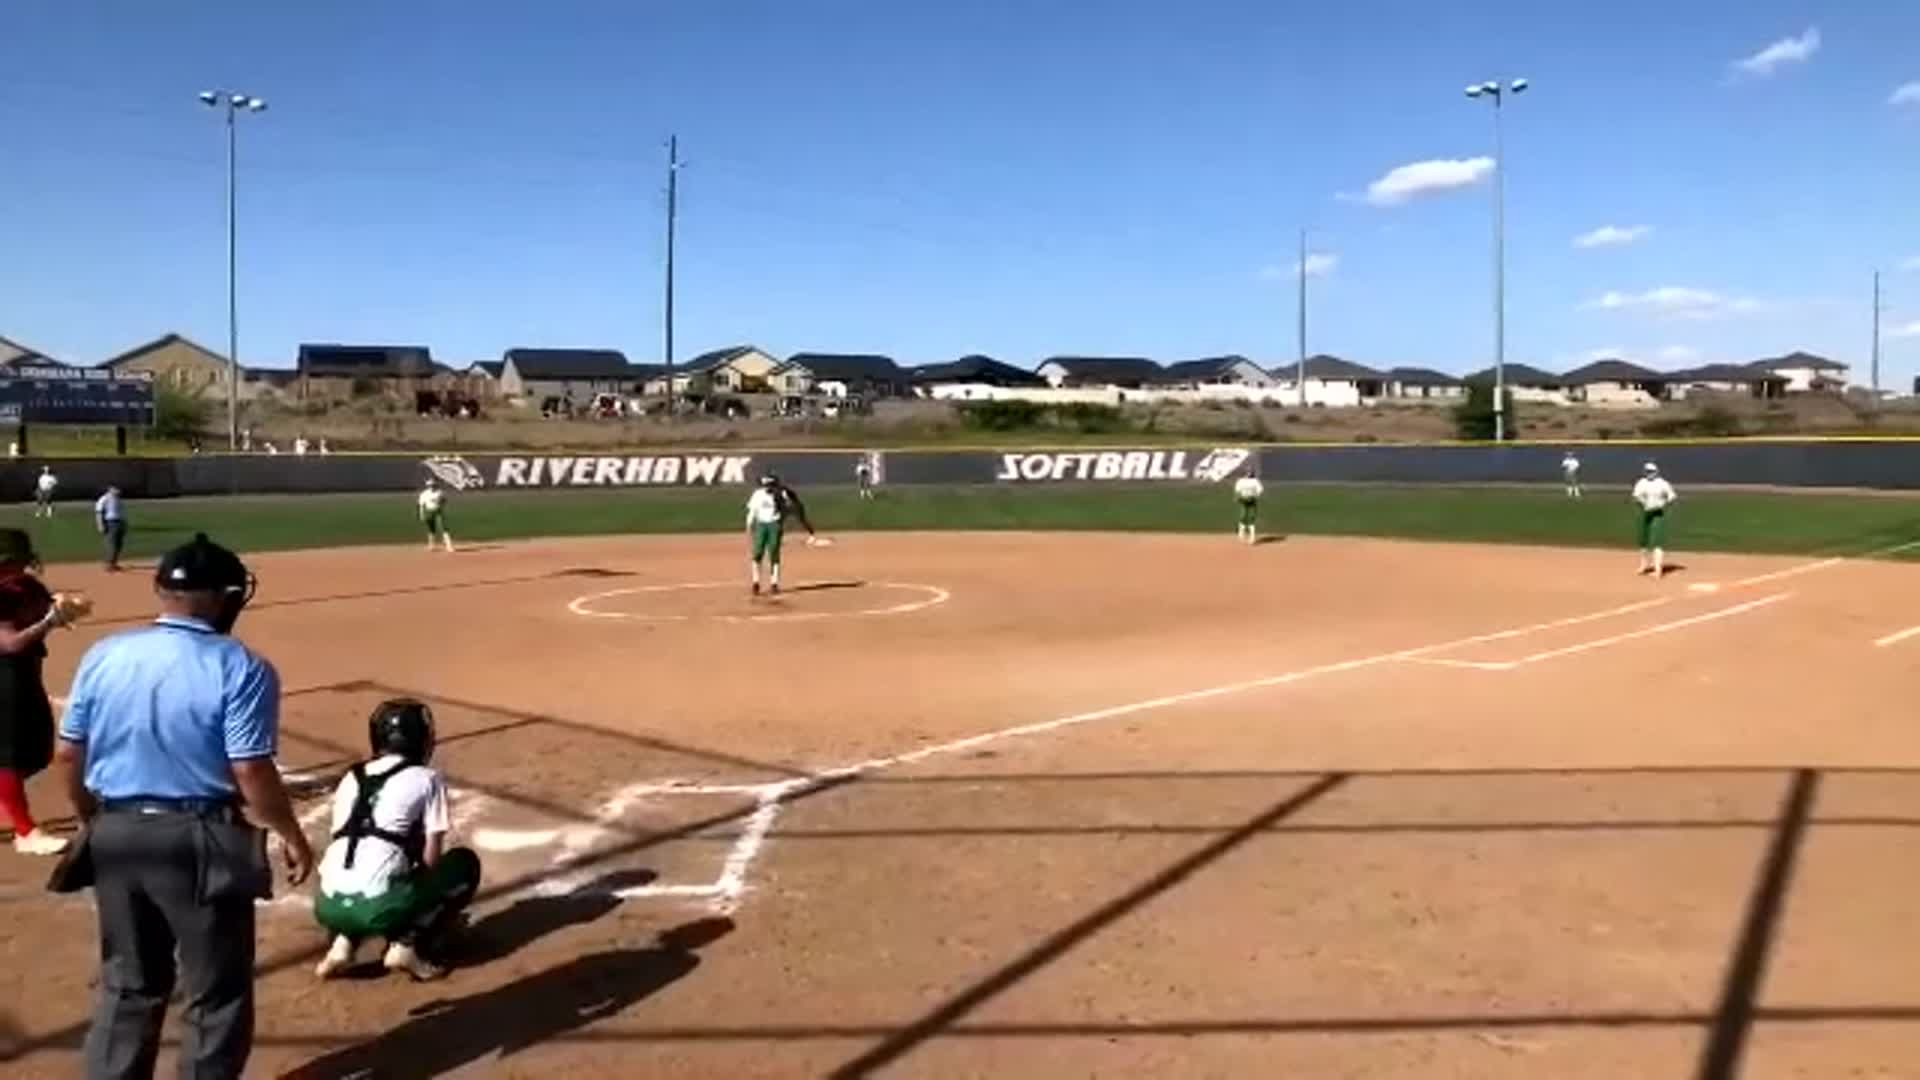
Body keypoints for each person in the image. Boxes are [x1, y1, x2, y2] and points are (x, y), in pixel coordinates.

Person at [54, 533, 312, 1080]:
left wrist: (88, 819)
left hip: (116, 829)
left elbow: (67, 753)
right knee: (215, 993)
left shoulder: (104, 653)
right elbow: (249, 768)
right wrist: (289, 831)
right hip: (197, 837)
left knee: (128, 985)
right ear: (224, 598)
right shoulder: (242, 665)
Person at [313, 699, 482, 982]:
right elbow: (431, 859)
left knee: (357, 860)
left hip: (327, 905)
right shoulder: (427, 778)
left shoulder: (351, 777)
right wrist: (422, 904)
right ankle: (407, 944)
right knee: (462, 865)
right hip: (378, 907)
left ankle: (343, 941)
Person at [0, 530, 87, 856]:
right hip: (4, 674)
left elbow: (49, 608)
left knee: (36, 751)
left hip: (26, 674)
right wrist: (50, 622)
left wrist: (67, 609)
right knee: (8, 756)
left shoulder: (27, 586)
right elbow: (8, 643)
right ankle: (26, 832)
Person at [1631, 462, 1678, 577]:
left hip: (1657, 514)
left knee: (1657, 541)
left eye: (1651, 471)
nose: (1649, 473)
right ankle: (1643, 566)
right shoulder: (1641, 483)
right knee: (1643, 541)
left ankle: (1658, 569)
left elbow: (1672, 496)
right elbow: (1636, 496)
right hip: (1644, 514)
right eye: (1647, 471)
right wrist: (1643, 502)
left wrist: (1663, 504)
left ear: (1656, 471)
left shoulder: (1662, 483)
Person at [746, 475, 786, 596]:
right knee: (758, 552)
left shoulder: (780, 494)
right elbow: (752, 510)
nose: (767, 487)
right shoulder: (758, 495)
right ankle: (756, 582)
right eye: (766, 485)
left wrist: (780, 523)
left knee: (774, 551)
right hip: (761, 524)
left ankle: (774, 583)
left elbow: (785, 510)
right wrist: (749, 523)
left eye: (770, 485)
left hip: (774, 523)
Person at [96, 484, 128, 572]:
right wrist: (100, 525)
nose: (118, 490)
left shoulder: (119, 499)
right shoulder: (104, 499)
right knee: (112, 543)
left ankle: (114, 563)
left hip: (120, 522)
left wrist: (125, 524)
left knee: (119, 544)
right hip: (111, 522)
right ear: (110, 489)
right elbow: (99, 512)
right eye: (116, 489)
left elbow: (123, 513)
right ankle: (109, 563)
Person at [418, 478, 454, 553]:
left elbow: (445, 500)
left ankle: (449, 545)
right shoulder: (424, 494)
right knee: (431, 529)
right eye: (430, 485)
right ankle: (431, 545)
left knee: (444, 527)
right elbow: (421, 505)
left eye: (433, 485)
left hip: (438, 511)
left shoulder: (439, 492)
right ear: (427, 486)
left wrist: (441, 503)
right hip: (429, 511)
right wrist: (421, 514)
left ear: (435, 485)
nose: (432, 487)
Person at [1233, 469, 1265, 545]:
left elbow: (1260, 490)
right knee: (1243, 516)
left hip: (1252, 501)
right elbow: (1237, 490)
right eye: (1247, 472)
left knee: (1251, 517)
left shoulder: (1255, 481)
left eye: (1250, 472)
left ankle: (1252, 537)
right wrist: (1237, 497)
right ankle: (1241, 532)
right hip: (1243, 500)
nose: (1249, 473)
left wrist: (1255, 496)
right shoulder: (1240, 481)